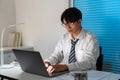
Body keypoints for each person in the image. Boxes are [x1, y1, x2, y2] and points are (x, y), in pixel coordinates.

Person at [44, 7, 99, 74]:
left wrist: (66, 67)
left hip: (85, 75)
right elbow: (56, 55)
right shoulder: (64, 38)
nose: (68, 27)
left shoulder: (91, 38)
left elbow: (88, 62)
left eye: (71, 23)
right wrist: (48, 62)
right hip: (66, 74)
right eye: (65, 24)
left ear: (79, 21)